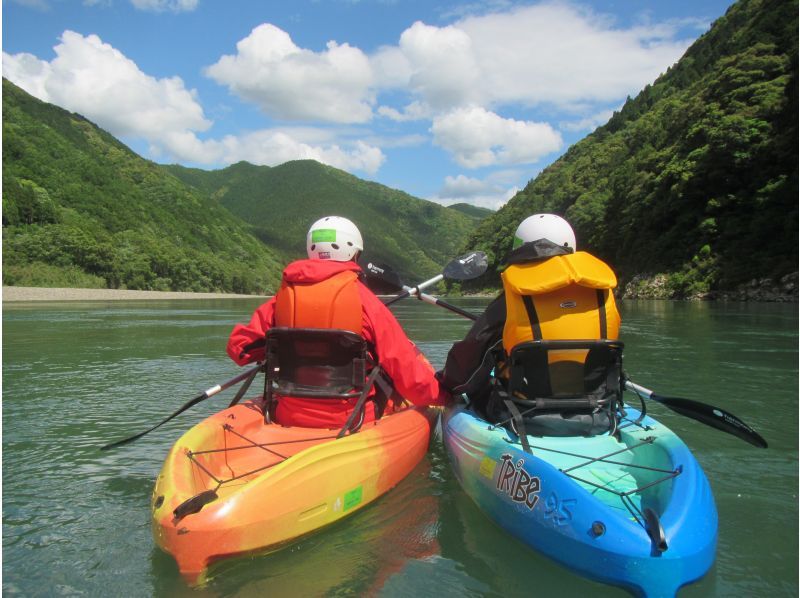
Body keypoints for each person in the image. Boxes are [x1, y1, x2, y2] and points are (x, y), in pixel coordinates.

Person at [227, 215, 448, 428]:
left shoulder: (281, 299)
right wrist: (445, 396)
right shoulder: (366, 302)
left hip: (288, 414)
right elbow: (404, 369)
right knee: (388, 375)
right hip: (352, 418)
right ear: (354, 254)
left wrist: (277, 344)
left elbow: (240, 350)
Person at [438, 213, 621, 435]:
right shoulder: (602, 294)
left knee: (479, 387)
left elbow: (469, 361)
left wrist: (446, 385)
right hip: (599, 413)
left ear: (520, 248)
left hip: (524, 416)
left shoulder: (512, 297)